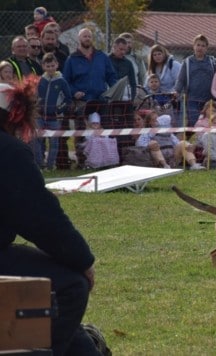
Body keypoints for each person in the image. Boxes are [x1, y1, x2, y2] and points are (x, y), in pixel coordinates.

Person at [0, 80, 104, 355]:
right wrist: (82, 260)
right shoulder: (8, 151)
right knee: (71, 285)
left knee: (61, 317)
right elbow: (41, 218)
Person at [62, 27, 117, 169]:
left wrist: (113, 91)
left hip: (101, 99)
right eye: (84, 36)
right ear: (79, 39)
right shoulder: (72, 59)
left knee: (106, 128)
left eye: (89, 36)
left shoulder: (102, 57)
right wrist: (74, 92)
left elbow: (111, 76)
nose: (87, 38)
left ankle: (106, 159)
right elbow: (65, 81)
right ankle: (82, 160)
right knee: (81, 131)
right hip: (82, 101)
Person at [174, 34, 216, 128]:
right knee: (195, 123)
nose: (200, 48)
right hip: (192, 100)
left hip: (209, 101)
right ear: (194, 46)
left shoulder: (213, 62)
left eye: (203, 46)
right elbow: (181, 79)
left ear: (206, 48)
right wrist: (176, 91)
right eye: (198, 45)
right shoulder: (187, 62)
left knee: (210, 124)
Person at [36, 52, 72, 170]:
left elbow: (68, 99)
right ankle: (40, 164)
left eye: (52, 65)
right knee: (38, 140)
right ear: (43, 66)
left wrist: (59, 109)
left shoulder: (61, 81)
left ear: (57, 65)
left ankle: (51, 165)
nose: (50, 68)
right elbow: (35, 96)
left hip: (54, 118)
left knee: (54, 142)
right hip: (40, 116)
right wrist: (36, 107)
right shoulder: (40, 80)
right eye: (48, 66)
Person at [135, 110, 204, 170]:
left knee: (183, 143)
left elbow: (177, 143)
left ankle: (194, 165)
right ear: (149, 122)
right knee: (153, 143)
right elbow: (139, 144)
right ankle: (165, 166)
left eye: (157, 119)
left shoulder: (168, 132)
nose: (156, 122)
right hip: (156, 160)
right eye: (154, 120)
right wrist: (149, 145)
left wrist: (188, 145)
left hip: (172, 159)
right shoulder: (147, 133)